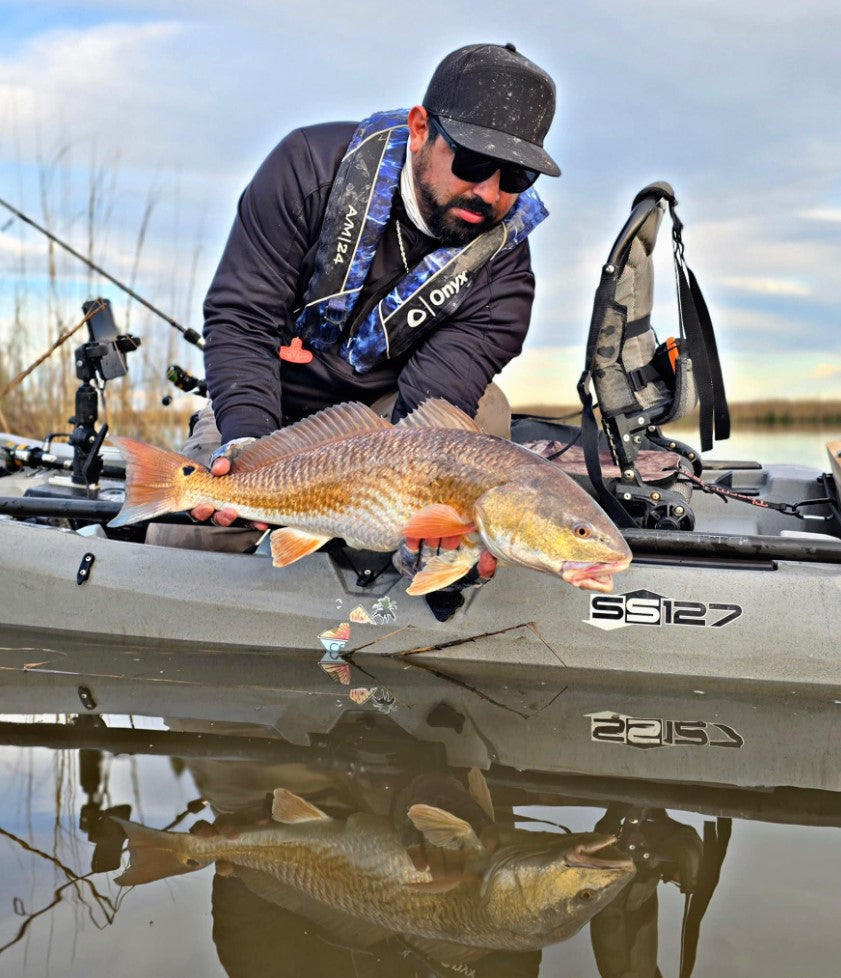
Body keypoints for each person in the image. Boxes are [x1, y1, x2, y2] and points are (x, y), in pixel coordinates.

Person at [154, 42, 560, 558]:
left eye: (517, 177)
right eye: (475, 161)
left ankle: (408, 567)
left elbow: (432, 406)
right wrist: (248, 444)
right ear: (420, 130)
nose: (489, 191)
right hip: (272, 398)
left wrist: (414, 524)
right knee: (183, 542)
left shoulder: (505, 274)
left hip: (390, 421)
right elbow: (242, 321)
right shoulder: (306, 167)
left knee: (486, 414)